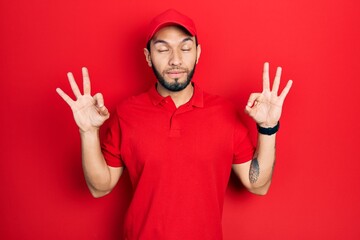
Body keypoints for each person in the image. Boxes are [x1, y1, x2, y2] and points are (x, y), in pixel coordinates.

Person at [56, 9, 292, 240]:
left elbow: (257, 185)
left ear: (198, 53)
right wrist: (88, 132)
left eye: (185, 48)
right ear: (148, 57)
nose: (176, 59)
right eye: (162, 49)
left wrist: (268, 128)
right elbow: (100, 187)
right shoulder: (127, 112)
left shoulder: (224, 113)